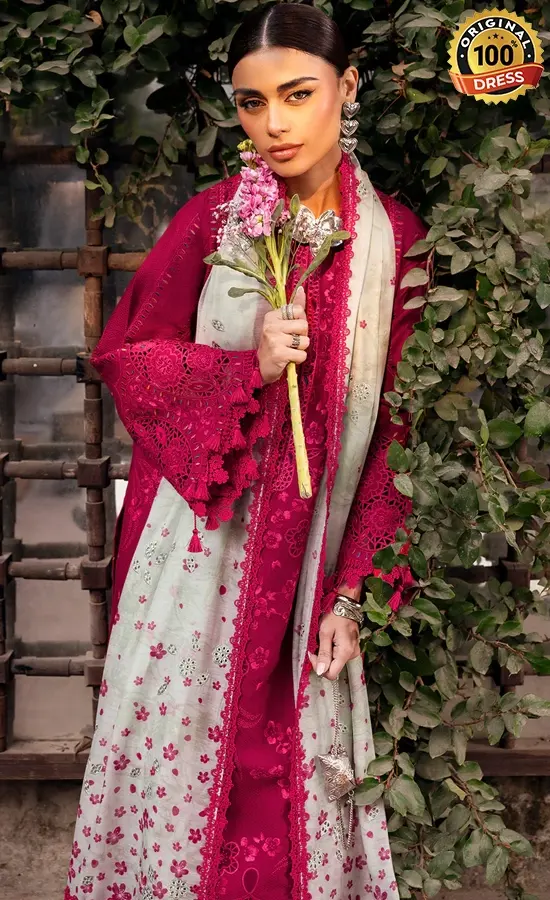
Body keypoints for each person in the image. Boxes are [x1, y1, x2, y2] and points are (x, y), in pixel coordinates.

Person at [65, 5, 428, 899]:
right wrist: (246, 367)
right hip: (199, 565)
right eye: (252, 102)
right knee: (188, 791)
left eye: (298, 95)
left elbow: (402, 436)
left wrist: (356, 592)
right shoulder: (217, 220)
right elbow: (129, 356)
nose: (274, 124)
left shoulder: (396, 245)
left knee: (290, 799)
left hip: (313, 578)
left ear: (348, 88)